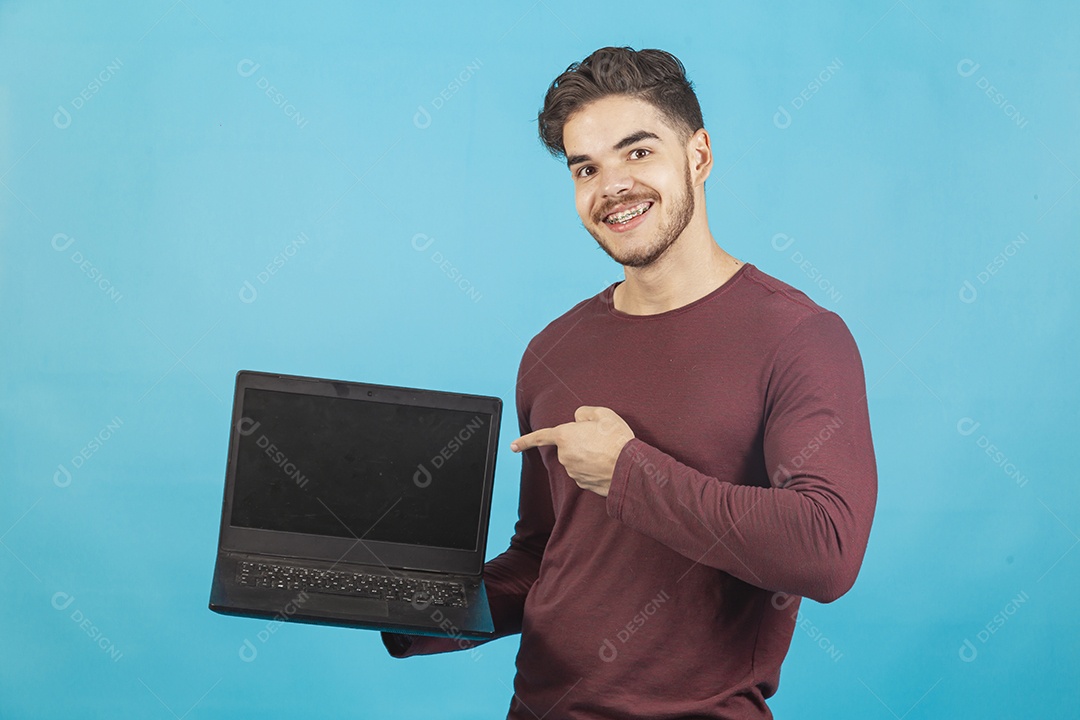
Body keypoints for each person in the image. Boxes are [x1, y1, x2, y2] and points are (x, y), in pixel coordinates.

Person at [383, 46, 877, 719]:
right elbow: (541, 559)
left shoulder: (800, 337)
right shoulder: (552, 351)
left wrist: (627, 475)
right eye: (586, 167)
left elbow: (827, 549)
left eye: (637, 152)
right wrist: (411, 610)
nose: (611, 185)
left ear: (698, 156)